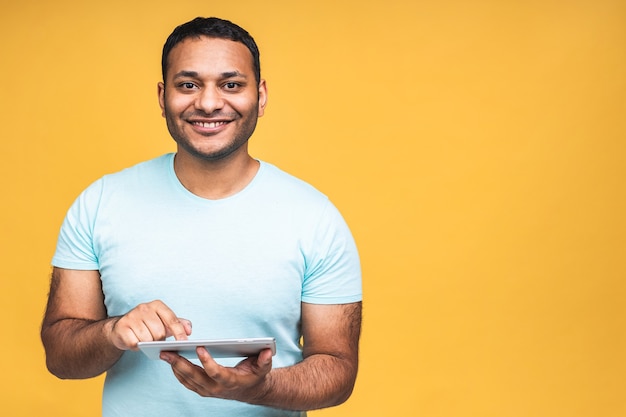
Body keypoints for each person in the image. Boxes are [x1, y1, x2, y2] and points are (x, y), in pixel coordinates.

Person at [40, 16, 362, 417]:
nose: (208, 103)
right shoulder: (99, 203)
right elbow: (59, 355)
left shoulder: (316, 218)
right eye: (188, 84)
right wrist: (111, 332)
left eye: (231, 84)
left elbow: (339, 369)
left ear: (260, 96)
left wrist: (259, 388)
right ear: (163, 96)